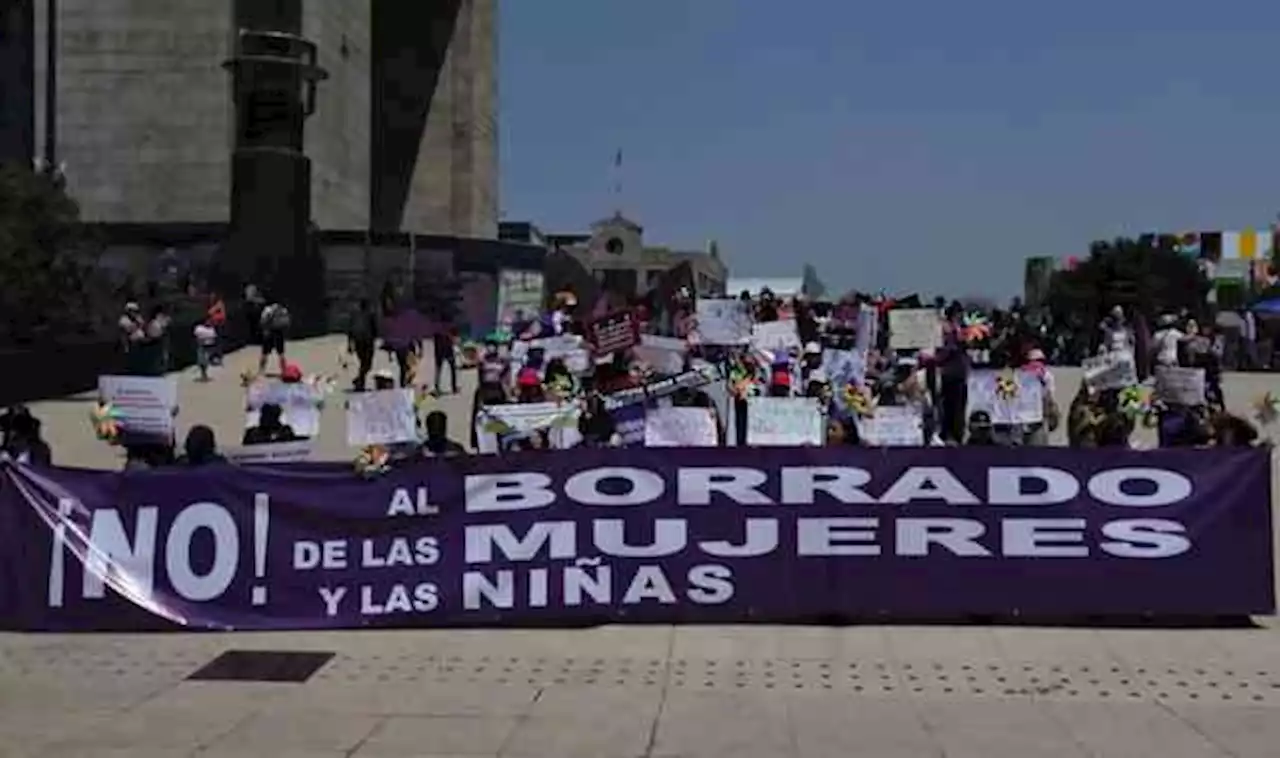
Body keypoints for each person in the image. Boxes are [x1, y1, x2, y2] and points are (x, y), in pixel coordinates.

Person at [347, 299, 379, 391]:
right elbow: (375, 329)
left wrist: (349, 344)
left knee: (363, 362)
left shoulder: (355, 316)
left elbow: (350, 330)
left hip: (358, 341)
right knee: (367, 364)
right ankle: (360, 380)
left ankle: (360, 381)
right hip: (368, 341)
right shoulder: (370, 315)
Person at [258, 298, 291, 375]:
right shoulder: (283, 309)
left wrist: (264, 329)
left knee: (264, 353)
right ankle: (284, 370)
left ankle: (261, 370)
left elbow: (262, 321)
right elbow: (287, 322)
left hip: (269, 332)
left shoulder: (268, 309)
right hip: (279, 332)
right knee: (281, 353)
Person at [432, 326, 459, 395]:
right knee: (452, 368)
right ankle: (454, 387)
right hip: (447, 349)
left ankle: (437, 387)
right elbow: (454, 335)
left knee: (439, 369)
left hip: (439, 350)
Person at [193, 317, 218, 382]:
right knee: (201, 360)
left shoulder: (211, 329)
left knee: (206, 361)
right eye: (208, 321)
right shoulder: (199, 328)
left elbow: (213, 338)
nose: (209, 322)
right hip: (201, 346)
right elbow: (196, 337)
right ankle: (203, 374)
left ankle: (204, 374)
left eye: (210, 321)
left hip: (209, 347)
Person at [206, 292, 227, 365]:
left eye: (213, 296)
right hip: (213, 325)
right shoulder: (211, 304)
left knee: (218, 341)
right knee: (212, 341)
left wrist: (213, 311)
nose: (211, 297)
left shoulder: (219, 304)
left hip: (218, 325)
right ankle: (213, 357)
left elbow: (211, 312)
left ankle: (218, 357)